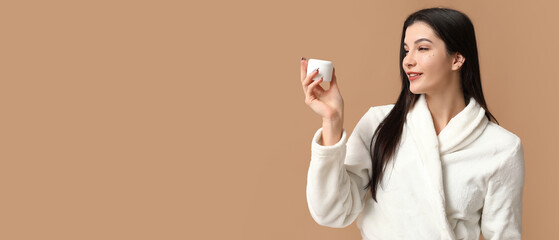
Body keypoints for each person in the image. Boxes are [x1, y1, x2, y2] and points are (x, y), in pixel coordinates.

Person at [299, 7, 525, 240]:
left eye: (422, 48)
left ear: (457, 59)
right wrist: (332, 120)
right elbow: (332, 212)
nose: (408, 61)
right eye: (406, 50)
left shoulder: (502, 148)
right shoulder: (379, 124)